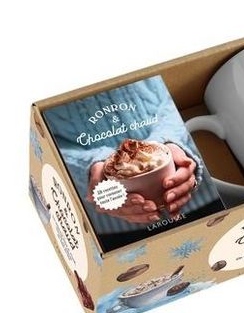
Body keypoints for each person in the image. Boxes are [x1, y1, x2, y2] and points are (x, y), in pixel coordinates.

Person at [44, 76, 223, 251]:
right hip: (112, 230)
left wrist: (170, 139)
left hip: (209, 195)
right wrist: (88, 167)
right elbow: (41, 140)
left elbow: (183, 83)